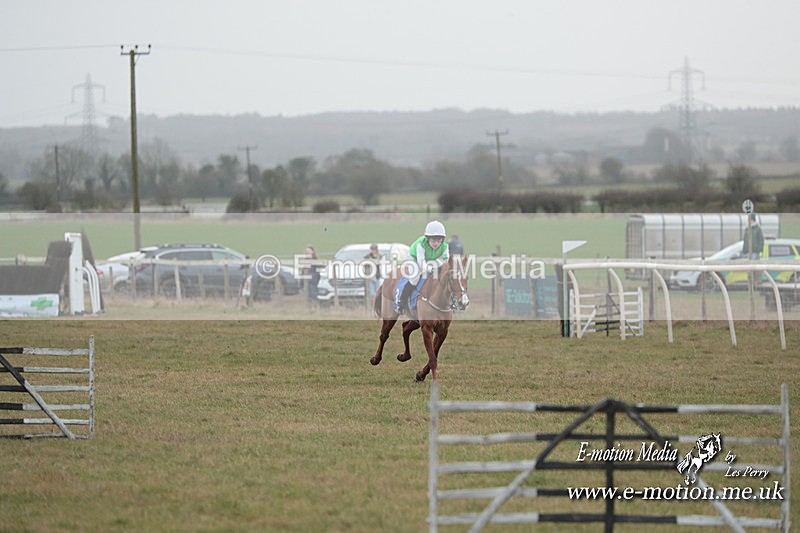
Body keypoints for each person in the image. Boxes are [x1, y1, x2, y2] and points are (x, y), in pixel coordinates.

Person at [394, 220, 450, 314]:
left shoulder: (445, 246)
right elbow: (422, 264)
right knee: (414, 279)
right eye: (433, 240)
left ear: (442, 240)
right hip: (415, 258)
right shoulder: (421, 244)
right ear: (427, 239)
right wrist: (432, 269)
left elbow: (446, 261)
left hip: (430, 258)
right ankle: (401, 303)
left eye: (439, 240)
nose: (436, 243)